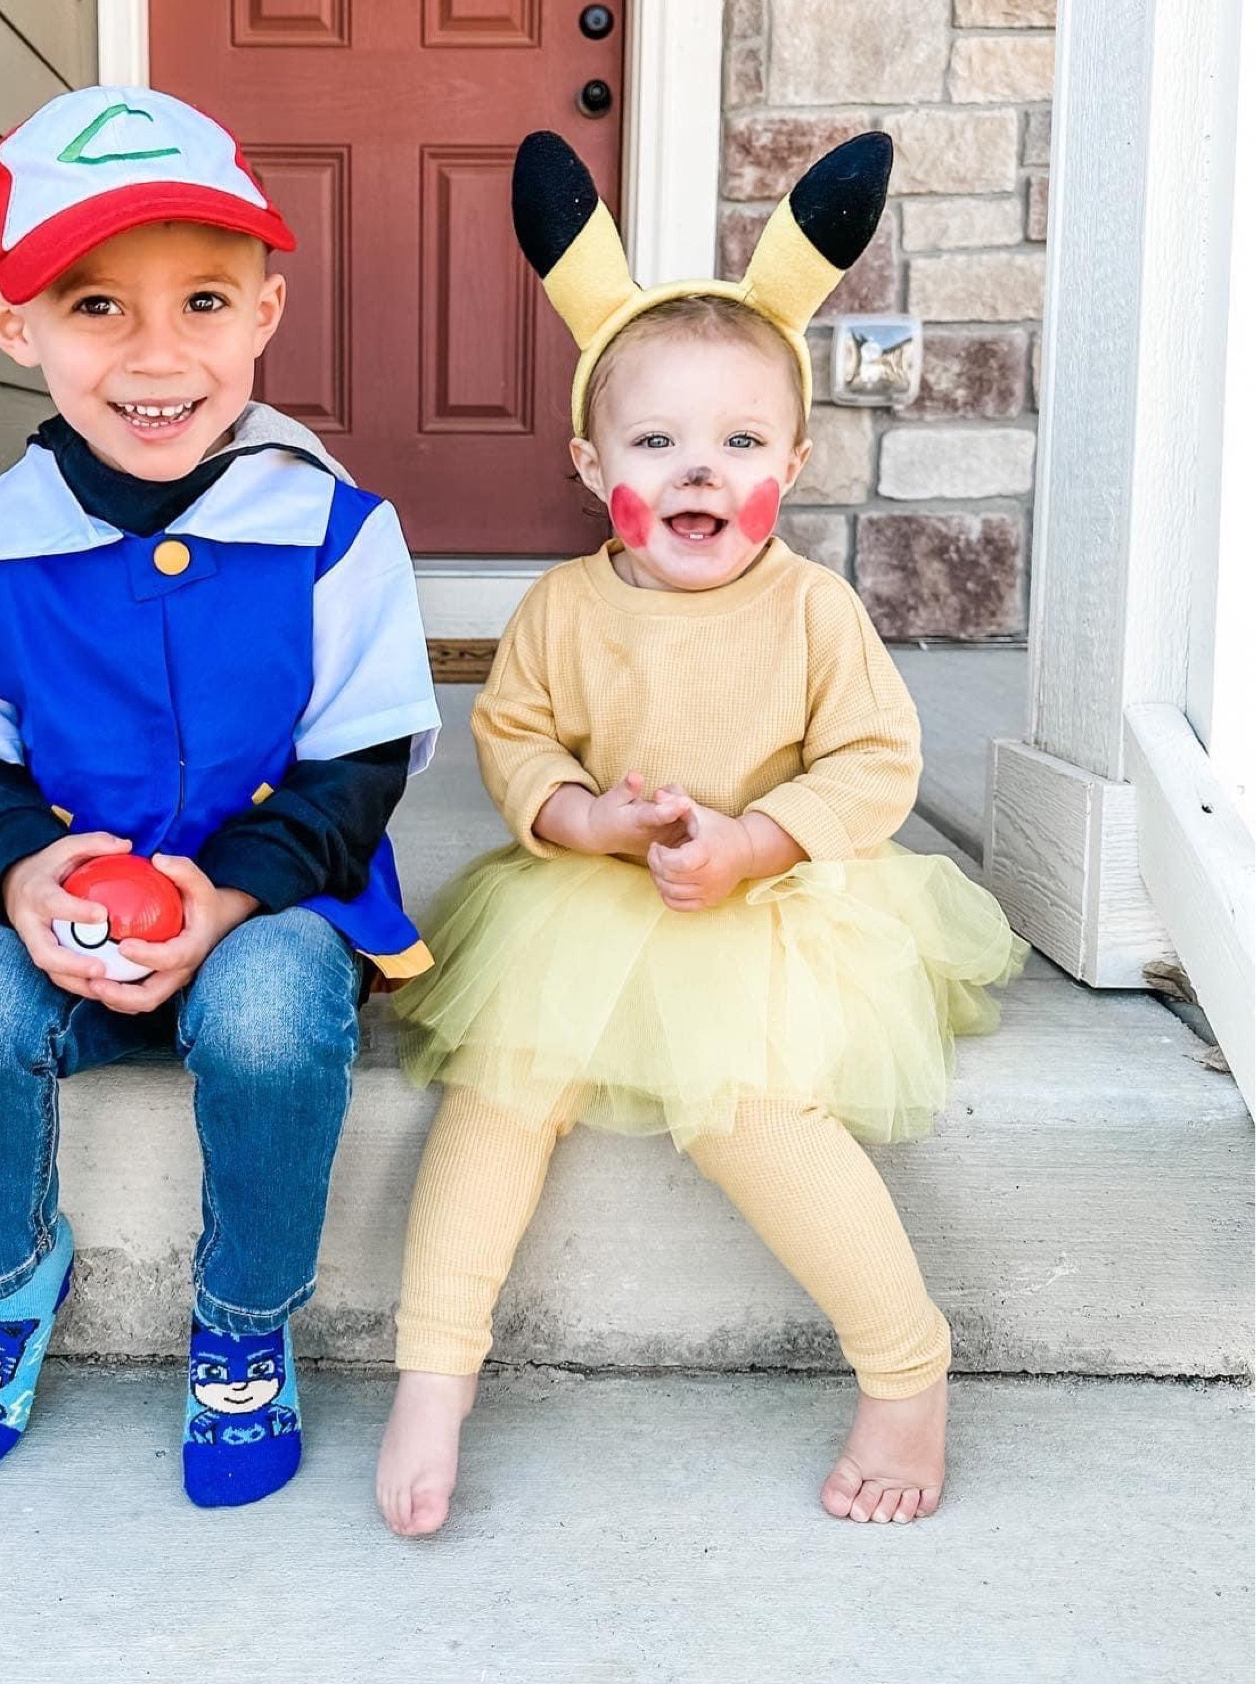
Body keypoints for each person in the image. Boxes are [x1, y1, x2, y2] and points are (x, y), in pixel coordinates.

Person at [375, 130, 1024, 1537]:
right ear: (586, 455)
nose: (698, 471)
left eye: (738, 441)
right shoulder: (557, 608)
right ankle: (433, 1367)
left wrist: (758, 840)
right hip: (594, 896)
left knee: (749, 1109)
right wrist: (578, 814)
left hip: (764, 908)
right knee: (498, 1093)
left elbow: (872, 761)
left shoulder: (808, 611)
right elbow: (517, 738)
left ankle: (906, 1367)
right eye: (655, 440)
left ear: (791, 456)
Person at [0, 86, 439, 1508]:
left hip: (270, 901)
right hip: (59, 909)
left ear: (266, 311)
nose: (158, 352)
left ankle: (242, 1320)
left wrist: (231, 888)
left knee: (271, 1017)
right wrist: (21, 873)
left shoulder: (332, 534)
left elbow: (359, 766)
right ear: (14, 323)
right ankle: (4, 1280)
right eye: (97, 304)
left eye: (205, 300)